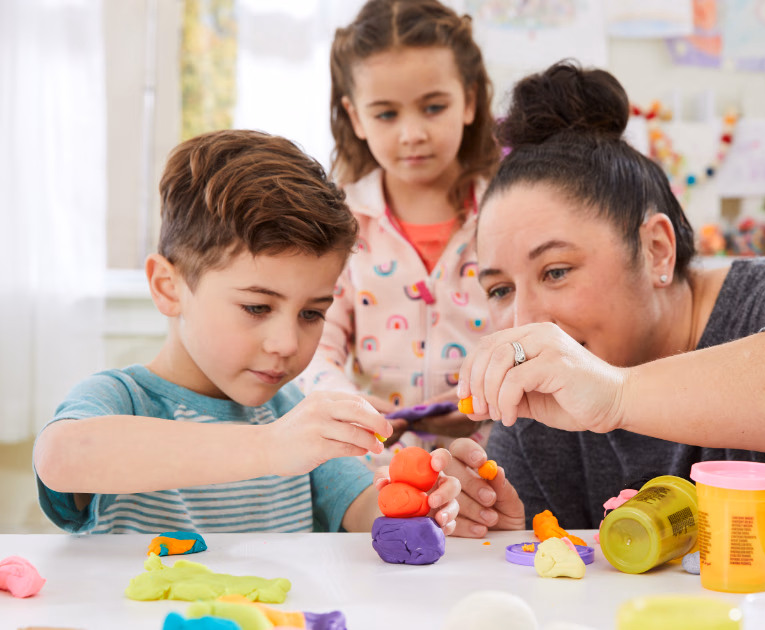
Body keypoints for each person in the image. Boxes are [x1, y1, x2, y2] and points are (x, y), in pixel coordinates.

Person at [445, 63, 765, 614]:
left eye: (556, 272)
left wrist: (620, 394)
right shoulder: (540, 417)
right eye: (499, 289)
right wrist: (493, 527)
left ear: (657, 250)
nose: (525, 319)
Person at [33, 130, 460, 535]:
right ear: (169, 288)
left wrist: (424, 499)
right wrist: (268, 448)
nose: (287, 344)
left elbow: (368, 511)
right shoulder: (122, 400)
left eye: (311, 313)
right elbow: (59, 457)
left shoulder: (293, 413)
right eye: (257, 307)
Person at [298, 0, 500, 466]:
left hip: (496, 464)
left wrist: (490, 402)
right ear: (355, 116)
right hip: (376, 471)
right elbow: (314, 347)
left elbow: (538, 336)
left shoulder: (505, 214)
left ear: (468, 101)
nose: (412, 133)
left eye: (433, 107)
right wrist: (353, 409)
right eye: (387, 114)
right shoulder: (339, 223)